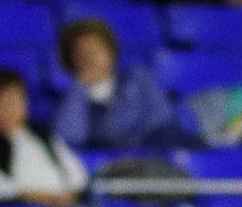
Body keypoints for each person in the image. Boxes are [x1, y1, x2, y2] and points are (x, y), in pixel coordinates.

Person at [52, 17, 182, 151]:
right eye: (81, 53)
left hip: (149, 159)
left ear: (111, 52)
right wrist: (78, 89)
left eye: (95, 50)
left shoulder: (138, 80)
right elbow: (66, 141)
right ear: (70, 60)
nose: (89, 57)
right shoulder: (68, 98)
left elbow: (162, 122)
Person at [0, 66, 86, 205]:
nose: (11, 107)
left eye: (17, 100)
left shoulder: (43, 136)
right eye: (4, 101)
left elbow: (77, 174)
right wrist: (29, 195)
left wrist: (67, 194)